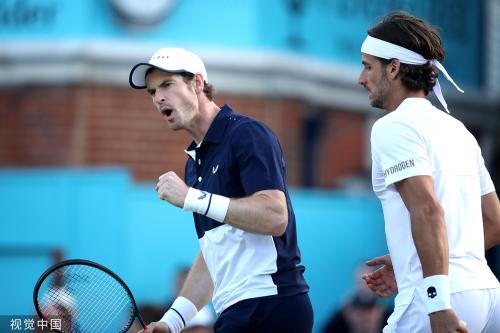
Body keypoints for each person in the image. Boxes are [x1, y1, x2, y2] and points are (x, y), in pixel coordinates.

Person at [128, 47, 313, 333]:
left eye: (167, 85)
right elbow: (215, 254)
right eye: (152, 92)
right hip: (234, 312)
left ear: (197, 83)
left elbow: (275, 216)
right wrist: (171, 322)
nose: (158, 98)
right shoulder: (194, 164)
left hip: (272, 304)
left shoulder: (247, 133)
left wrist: (191, 197)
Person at [357, 11, 500, 333]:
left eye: (367, 66)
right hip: (487, 295)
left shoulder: (392, 126)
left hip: (438, 298)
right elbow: (493, 222)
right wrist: (410, 257)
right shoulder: (458, 129)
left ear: (393, 68)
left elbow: (426, 208)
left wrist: (437, 300)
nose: (360, 78)